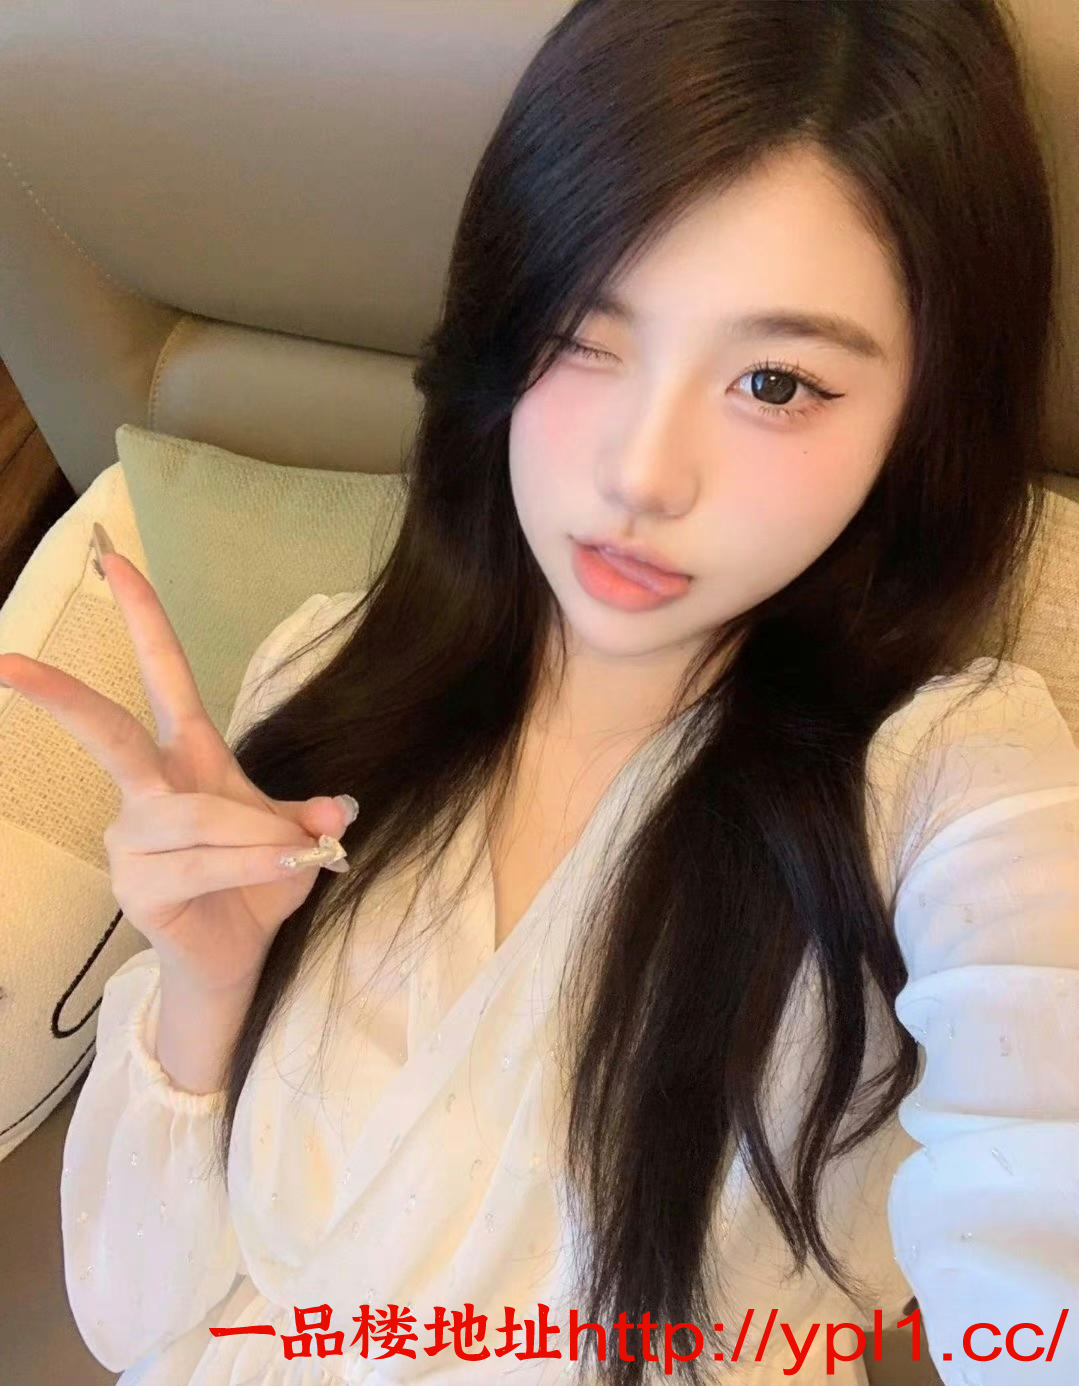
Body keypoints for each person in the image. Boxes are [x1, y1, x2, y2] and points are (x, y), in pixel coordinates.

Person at [1, 0, 1076, 1382]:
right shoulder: (320, 677)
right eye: (583, 331)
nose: (640, 473)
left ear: (919, 415)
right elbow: (143, 1314)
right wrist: (204, 985)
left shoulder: (949, 787)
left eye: (774, 381)